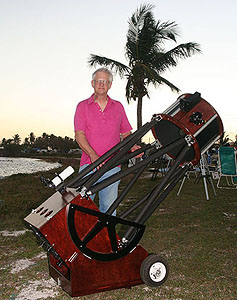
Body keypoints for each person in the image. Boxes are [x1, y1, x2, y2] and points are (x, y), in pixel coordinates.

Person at [74, 67, 140, 215]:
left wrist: (133, 147)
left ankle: (106, 238)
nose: (101, 84)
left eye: (105, 81)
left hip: (112, 166)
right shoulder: (82, 106)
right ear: (92, 83)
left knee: (109, 210)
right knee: (83, 210)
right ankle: (85, 238)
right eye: (98, 81)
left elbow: (126, 134)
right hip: (88, 166)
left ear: (110, 85)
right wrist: (93, 155)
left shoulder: (118, 107)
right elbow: (79, 135)